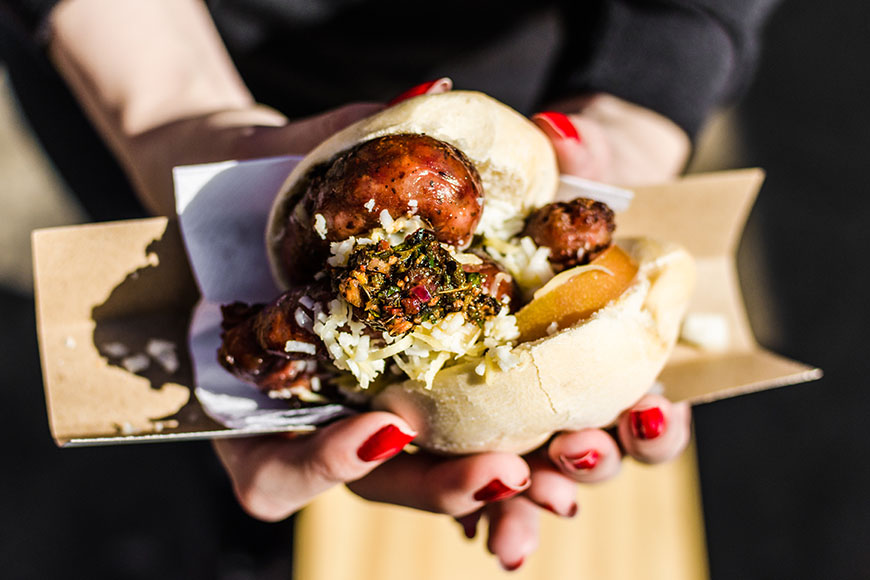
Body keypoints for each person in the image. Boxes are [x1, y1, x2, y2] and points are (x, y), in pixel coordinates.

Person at [1, 0, 780, 571]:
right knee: (202, 405)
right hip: (139, 62)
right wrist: (171, 116)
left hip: (547, 69)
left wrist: (646, 87)